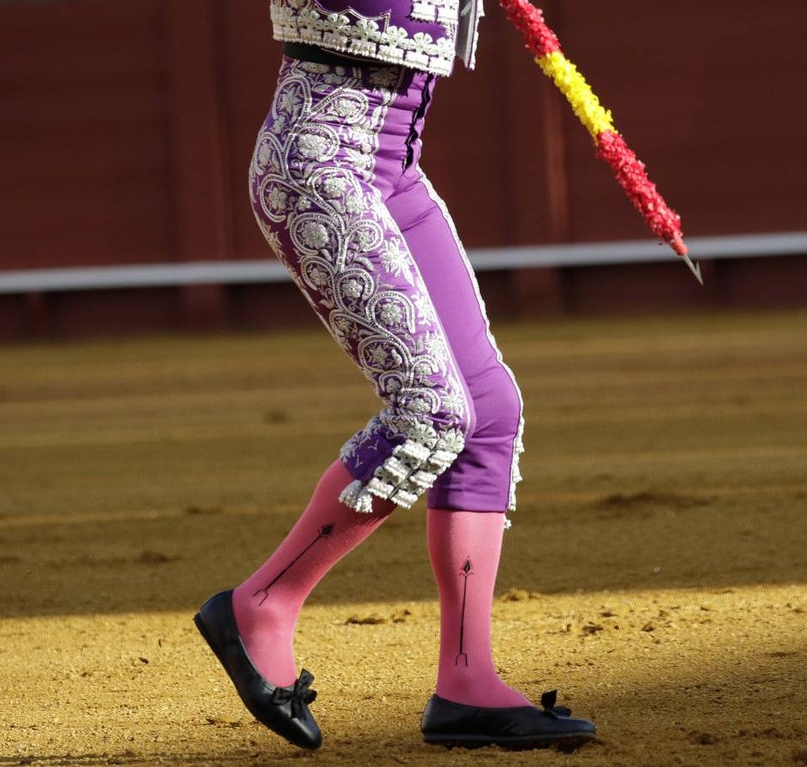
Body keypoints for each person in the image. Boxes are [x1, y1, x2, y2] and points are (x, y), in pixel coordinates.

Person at [194, 0, 596, 752]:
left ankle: (467, 681)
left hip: (387, 166)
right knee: (433, 412)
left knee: (487, 409)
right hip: (318, 167)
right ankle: (262, 605)